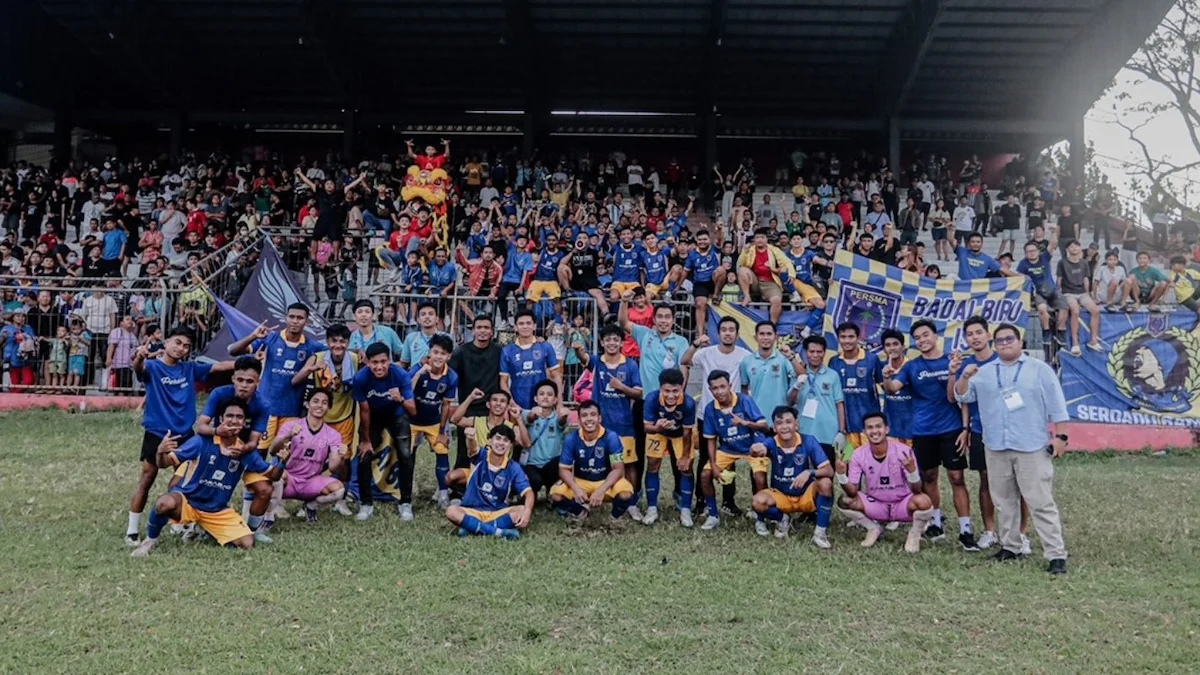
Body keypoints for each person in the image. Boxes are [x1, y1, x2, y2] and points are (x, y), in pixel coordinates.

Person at [954, 323, 1071, 575]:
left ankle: (1056, 554)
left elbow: (1057, 405)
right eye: (1000, 341)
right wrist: (964, 377)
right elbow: (962, 397)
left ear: (1020, 342)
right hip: (996, 445)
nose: (1005, 344)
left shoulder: (1039, 370)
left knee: (1040, 501)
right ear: (994, 345)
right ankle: (1011, 546)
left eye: (1009, 339)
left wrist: (1061, 436)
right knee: (1004, 501)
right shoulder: (983, 372)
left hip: (1031, 446)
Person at [130, 399, 287, 557]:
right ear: (221, 419)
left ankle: (207, 531)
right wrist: (160, 452)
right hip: (188, 502)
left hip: (216, 510)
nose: (233, 420)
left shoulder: (244, 451)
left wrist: (282, 462)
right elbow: (163, 463)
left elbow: (273, 475)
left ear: (244, 422)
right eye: (229, 416)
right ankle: (150, 541)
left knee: (247, 543)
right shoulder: (200, 442)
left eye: (239, 417)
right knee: (164, 503)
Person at [125, 326, 232, 546]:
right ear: (166, 342)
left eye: (186, 346)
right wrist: (138, 356)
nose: (181, 348)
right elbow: (138, 367)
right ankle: (132, 530)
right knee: (146, 479)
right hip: (156, 434)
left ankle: (183, 523)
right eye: (177, 342)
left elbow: (219, 367)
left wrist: (246, 363)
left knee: (187, 482)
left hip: (186, 436)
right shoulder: (153, 367)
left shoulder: (190, 369)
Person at [882, 319, 979, 551]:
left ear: (935, 336)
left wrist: (965, 428)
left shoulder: (952, 361)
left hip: (951, 429)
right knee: (929, 477)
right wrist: (886, 377)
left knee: (957, 478)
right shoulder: (912, 367)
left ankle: (966, 529)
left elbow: (955, 398)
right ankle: (935, 523)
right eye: (918, 337)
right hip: (922, 430)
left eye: (926, 335)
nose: (922, 340)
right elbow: (893, 388)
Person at [945, 316, 1030, 553]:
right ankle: (990, 531)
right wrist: (965, 429)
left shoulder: (1003, 360)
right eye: (970, 334)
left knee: (1020, 483)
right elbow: (960, 400)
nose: (975, 337)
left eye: (978, 332)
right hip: (982, 432)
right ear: (966, 339)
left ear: (988, 335)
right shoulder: (966, 365)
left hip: (1013, 430)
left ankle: (1022, 534)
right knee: (987, 481)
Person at [835, 412, 935, 553]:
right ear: (864, 432)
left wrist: (912, 472)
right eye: (870, 428)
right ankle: (873, 528)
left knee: (924, 501)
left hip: (901, 504)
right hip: (876, 504)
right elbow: (852, 491)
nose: (874, 431)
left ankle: (914, 534)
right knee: (845, 501)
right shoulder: (857, 454)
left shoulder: (904, 451)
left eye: (878, 427)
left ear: (886, 429)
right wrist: (841, 475)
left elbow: (917, 490)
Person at [573, 323, 644, 520]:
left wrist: (621, 387)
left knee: (629, 464)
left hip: (623, 424)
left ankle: (632, 503)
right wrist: (578, 349)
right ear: (602, 342)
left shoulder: (630, 364)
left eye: (616, 339)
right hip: (599, 426)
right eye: (608, 339)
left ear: (622, 342)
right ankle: (593, 497)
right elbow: (584, 358)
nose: (612, 343)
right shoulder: (597, 361)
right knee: (598, 461)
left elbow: (638, 393)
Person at [292, 322, 359, 516]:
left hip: (344, 417)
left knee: (343, 460)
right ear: (327, 342)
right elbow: (295, 380)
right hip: (319, 418)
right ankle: (308, 500)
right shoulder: (318, 357)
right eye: (334, 341)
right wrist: (311, 369)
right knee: (313, 459)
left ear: (348, 342)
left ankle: (342, 498)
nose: (338, 345)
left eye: (342, 341)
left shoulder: (355, 359)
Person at [749, 406, 834, 547]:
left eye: (788, 422)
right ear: (774, 428)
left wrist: (809, 472)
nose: (784, 427)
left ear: (796, 424)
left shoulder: (808, 441)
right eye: (779, 423)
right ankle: (782, 519)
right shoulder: (771, 442)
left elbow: (829, 470)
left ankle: (820, 533)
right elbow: (759, 450)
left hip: (805, 495)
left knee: (825, 483)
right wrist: (755, 449)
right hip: (782, 495)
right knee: (757, 502)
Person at [350, 342, 417, 522]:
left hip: (397, 414)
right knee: (364, 454)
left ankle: (405, 502)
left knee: (405, 454)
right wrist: (365, 439)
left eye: (383, 361)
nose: (379, 366)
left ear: (390, 360)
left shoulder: (401, 375)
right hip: (373, 416)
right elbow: (364, 410)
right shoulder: (361, 378)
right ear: (367, 362)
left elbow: (413, 410)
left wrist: (400, 398)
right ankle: (366, 503)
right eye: (374, 362)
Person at [699, 369, 769, 530]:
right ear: (710, 390)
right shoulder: (710, 409)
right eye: (715, 388)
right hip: (728, 449)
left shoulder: (744, 401)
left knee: (760, 478)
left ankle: (760, 519)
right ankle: (713, 515)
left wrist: (746, 423)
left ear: (729, 385)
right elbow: (710, 439)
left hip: (753, 447)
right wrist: (714, 464)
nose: (719, 391)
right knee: (705, 474)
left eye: (722, 386)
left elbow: (764, 426)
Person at [549, 400, 636, 522]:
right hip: (581, 481)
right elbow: (564, 469)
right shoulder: (571, 439)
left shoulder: (611, 437)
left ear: (599, 418)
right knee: (556, 496)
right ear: (578, 420)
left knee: (626, 493)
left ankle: (615, 517)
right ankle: (579, 513)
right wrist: (575, 488)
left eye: (593, 415)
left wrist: (601, 490)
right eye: (584, 416)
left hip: (605, 481)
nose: (589, 419)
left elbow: (618, 469)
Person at [271, 388, 349, 523]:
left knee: (339, 490)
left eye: (324, 403)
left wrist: (341, 457)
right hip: (289, 479)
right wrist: (289, 436)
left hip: (310, 481)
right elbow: (273, 450)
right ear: (307, 404)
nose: (320, 405)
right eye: (316, 401)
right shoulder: (291, 425)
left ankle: (311, 506)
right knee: (275, 477)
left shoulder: (333, 435)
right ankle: (273, 511)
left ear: (329, 407)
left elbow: (333, 468)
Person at [444, 424, 533, 539]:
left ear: (510, 445)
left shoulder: (513, 467)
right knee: (451, 511)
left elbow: (528, 492)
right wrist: (470, 438)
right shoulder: (480, 455)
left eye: (506, 440)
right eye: (498, 438)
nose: (501, 443)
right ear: (490, 441)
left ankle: (472, 528)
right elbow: (472, 447)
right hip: (472, 511)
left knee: (521, 510)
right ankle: (498, 532)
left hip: (497, 513)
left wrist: (528, 511)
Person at [407, 333, 458, 510]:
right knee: (407, 454)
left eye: (443, 354)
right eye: (435, 352)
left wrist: (443, 431)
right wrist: (419, 373)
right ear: (429, 353)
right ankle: (408, 492)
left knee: (442, 451)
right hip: (412, 420)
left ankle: (443, 494)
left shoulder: (451, 376)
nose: (438, 357)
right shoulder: (417, 369)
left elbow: (445, 406)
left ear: (448, 356)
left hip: (433, 421)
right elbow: (407, 392)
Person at [641, 368, 697, 527]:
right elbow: (647, 428)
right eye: (667, 391)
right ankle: (652, 508)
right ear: (660, 389)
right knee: (652, 463)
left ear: (682, 388)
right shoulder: (651, 399)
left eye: (675, 391)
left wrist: (685, 456)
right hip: (658, 432)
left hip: (680, 434)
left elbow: (687, 432)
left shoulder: (688, 403)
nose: (671, 395)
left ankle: (685, 509)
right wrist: (658, 428)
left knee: (686, 468)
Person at [786, 335, 845, 464]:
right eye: (811, 351)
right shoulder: (797, 373)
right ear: (805, 352)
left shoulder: (832, 375)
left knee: (827, 474)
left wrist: (841, 431)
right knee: (805, 475)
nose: (815, 355)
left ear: (824, 353)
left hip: (828, 433)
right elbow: (790, 402)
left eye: (819, 352)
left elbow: (839, 404)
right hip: (804, 432)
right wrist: (796, 386)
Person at [829, 322, 883, 449]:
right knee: (849, 462)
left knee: (870, 463)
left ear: (858, 338)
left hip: (869, 426)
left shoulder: (872, 359)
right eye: (843, 337)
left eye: (851, 337)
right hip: (846, 427)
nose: (847, 341)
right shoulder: (834, 362)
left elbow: (884, 386)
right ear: (838, 338)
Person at [739, 321, 801, 426]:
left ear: (776, 337)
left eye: (769, 334)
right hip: (757, 419)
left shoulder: (784, 359)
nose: (765, 337)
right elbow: (744, 389)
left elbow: (802, 376)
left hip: (781, 420)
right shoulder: (746, 361)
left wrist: (792, 358)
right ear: (755, 337)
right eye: (762, 334)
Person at [500, 310, 561, 411]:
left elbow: (557, 376)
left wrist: (559, 402)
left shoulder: (545, 346)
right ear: (515, 327)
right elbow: (503, 381)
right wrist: (512, 403)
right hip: (518, 406)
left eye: (528, 323)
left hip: (542, 406)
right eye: (521, 324)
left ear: (534, 326)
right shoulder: (507, 351)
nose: (525, 326)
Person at [450, 388, 530, 461]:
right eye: (495, 400)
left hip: (503, 471)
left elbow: (526, 444)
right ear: (488, 404)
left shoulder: (511, 427)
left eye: (502, 401)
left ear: (507, 407)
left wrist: (518, 419)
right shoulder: (477, 421)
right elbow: (454, 420)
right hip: (480, 467)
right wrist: (471, 397)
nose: (498, 403)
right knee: (452, 476)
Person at [521, 380, 569, 498]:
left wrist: (564, 416)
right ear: (535, 398)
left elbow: (561, 422)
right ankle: (530, 496)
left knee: (558, 464)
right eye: (541, 394)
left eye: (549, 394)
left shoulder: (558, 417)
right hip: (532, 464)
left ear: (555, 400)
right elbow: (529, 418)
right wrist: (533, 415)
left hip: (552, 464)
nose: (545, 397)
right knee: (534, 481)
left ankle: (551, 493)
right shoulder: (527, 413)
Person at [1057, 240, 1104, 355]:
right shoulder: (1062, 262)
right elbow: (1059, 279)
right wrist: (1059, 294)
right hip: (1068, 292)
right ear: (1067, 249)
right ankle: (1075, 343)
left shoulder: (1084, 263)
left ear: (1080, 248)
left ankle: (1093, 341)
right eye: (1071, 247)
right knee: (1075, 310)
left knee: (1095, 310)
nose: (1074, 248)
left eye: (1076, 246)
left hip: (1082, 293)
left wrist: (1088, 294)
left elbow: (1086, 279)